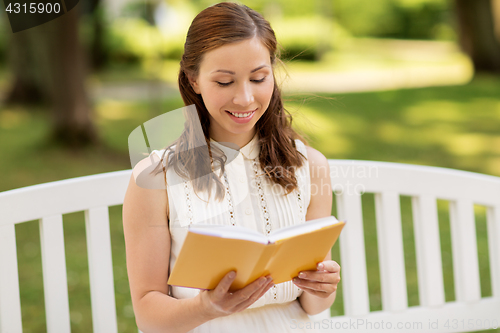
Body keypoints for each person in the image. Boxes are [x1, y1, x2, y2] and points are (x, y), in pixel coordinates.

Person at [122, 2, 341, 332]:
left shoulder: (311, 166)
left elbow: (312, 304)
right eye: (225, 82)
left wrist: (323, 287)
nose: (245, 98)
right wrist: (205, 307)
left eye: (258, 78)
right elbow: (148, 315)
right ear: (193, 80)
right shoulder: (155, 178)